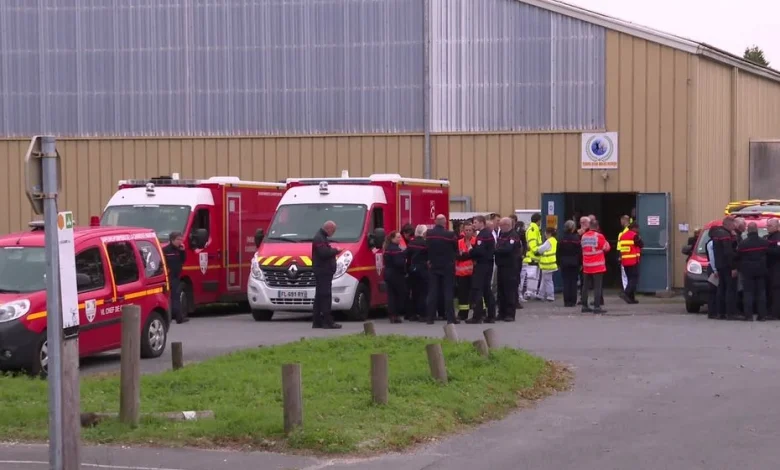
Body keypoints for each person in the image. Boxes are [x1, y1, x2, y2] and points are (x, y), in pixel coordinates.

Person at [425, 214, 459, 325]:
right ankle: (450, 318)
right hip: (447, 266)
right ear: (444, 222)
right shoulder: (450, 234)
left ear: (435, 222)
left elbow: (427, 248)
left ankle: (430, 317)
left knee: (432, 292)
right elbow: (455, 248)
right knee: (448, 292)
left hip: (433, 265)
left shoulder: (429, 234)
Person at [735, 222, 770, 321]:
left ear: (748, 231)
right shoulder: (764, 242)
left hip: (747, 272)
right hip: (761, 271)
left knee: (748, 293)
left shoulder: (743, 244)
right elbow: (768, 254)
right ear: (757, 230)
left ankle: (748, 316)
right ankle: (762, 316)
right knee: (761, 293)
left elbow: (737, 257)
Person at [466, 215, 497, 324]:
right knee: (486, 290)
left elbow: (480, 251)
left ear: (481, 223)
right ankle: (491, 315)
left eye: (475, 222)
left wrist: (470, 250)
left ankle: (477, 316)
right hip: (487, 264)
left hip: (482, 265)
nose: (473, 225)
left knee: (478, 289)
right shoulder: (486, 234)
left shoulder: (483, 235)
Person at [311, 221, 342, 329]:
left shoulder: (321, 237)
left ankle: (317, 321)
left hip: (322, 270)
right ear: (329, 228)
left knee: (319, 296)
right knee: (325, 296)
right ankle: (327, 322)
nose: (333, 233)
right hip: (323, 271)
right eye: (333, 231)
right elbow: (323, 253)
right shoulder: (319, 238)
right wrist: (335, 251)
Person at [710, 216, 738, 321]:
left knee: (721, 289)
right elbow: (728, 252)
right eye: (733, 224)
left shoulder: (717, 234)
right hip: (727, 265)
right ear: (728, 224)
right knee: (730, 290)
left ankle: (720, 312)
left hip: (719, 265)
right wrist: (733, 267)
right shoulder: (726, 235)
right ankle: (730, 313)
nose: (734, 227)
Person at [581, 219, 610, 314]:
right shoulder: (599, 236)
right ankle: (597, 307)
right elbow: (607, 248)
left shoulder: (584, 236)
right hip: (597, 265)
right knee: (597, 286)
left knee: (585, 286)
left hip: (586, 265)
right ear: (597, 227)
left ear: (589, 226)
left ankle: (584, 305)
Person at [494, 217, 520, 321]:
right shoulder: (502, 235)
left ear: (507, 225)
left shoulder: (513, 236)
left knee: (509, 291)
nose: (500, 227)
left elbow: (507, 249)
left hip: (510, 267)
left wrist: (496, 250)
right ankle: (501, 312)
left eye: (501, 225)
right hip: (501, 266)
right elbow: (499, 246)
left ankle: (510, 314)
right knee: (501, 291)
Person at [164, 231, 188, 324]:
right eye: (178, 239)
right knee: (169, 297)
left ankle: (179, 317)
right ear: (172, 240)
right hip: (168, 276)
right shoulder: (166, 250)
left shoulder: (180, 250)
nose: (180, 241)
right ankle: (170, 316)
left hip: (176, 276)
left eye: (181, 239)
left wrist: (183, 252)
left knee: (176, 296)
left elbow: (183, 260)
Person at [406, 224, 429, 322]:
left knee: (414, 292)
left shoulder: (411, 243)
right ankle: (423, 314)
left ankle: (412, 314)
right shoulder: (425, 244)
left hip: (413, 269)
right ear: (424, 233)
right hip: (423, 269)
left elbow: (407, 257)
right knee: (423, 292)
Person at [383, 231, 407, 324]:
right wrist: (403, 258)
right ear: (392, 238)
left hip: (389, 274)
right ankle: (395, 314)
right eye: (398, 237)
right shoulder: (395, 249)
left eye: (400, 237)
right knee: (398, 295)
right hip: (396, 275)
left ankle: (392, 315)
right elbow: (399, 263)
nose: (400, 239)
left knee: (391, 295)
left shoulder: (388, 248)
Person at [557, 220, 582, 307]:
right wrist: (580, 263)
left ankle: (566, 301)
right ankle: (573, 301)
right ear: (573, 228)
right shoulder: (576, 238)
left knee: (566, 282)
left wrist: (558, 262)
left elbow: (558, 252)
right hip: (574, 262)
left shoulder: (561, 238)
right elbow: (579, 252)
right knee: (573, 282)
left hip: (564, 262)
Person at [618, 222, 644, 304]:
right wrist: (639, 238)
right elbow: (641, 244)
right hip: (632, 260)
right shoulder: (634, 235)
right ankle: (625, 293)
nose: (638, 230)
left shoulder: (622, 236)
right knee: (634, 278)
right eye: (637, 228)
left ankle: (631, 298)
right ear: (634, 228)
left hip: (625, 261)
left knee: (630, 279)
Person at [455, 222, 476, 321]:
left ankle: (479, 312)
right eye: (466, 230)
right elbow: (456, 255)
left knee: (475, 294)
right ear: (463, 231)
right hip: (461, 273)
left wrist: (464, 254)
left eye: (470, 230)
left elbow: (475, 255)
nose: (468, 232)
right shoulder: (459, 242)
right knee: (462, 295)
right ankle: (463, 314)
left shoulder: (476, 241)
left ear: (473, 231)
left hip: (473, 272)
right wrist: (467, 255)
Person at [520, 213, 543, 300]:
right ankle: (529, 292)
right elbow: (532, 242)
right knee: (531, 276)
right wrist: (537, 251)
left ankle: (532, 292)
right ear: (538, 220)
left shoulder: (534, 228)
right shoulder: (533, 229)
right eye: (540, 220)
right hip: (533, 256)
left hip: (535, 257)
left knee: (534, 277)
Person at [535, 227, 558, 302]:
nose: (544, 234)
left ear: (549, 233)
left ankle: (550, 296)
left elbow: (541, 249)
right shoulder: (554, 240)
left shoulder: (549, 241)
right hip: (550, 263)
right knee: (544, 280)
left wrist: (536, 249)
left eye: (545, 233)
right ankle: (540, 295)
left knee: (548, 280)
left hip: (547, 264)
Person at [766, 218, 780, 320]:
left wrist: (766, 249)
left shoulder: (778, 237)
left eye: (769, 226)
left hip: (777, 268)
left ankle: (775, 313)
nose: (767, 227)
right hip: (771, 268)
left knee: (776, 291)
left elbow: (778, 252)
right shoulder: (769, 237)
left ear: (776, 226)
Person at [617, 215, 631, 295]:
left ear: (624, 220)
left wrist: (619, 255)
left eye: (621, 221)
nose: (620, 223)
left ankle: (627, 291)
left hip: (625, 255)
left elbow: (620, 246)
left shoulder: (624, 233)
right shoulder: (629, 230)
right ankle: (628, 291)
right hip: (629, 256)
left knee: (625, 275)